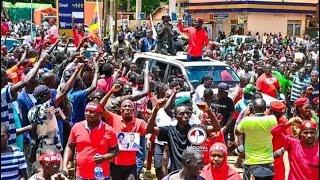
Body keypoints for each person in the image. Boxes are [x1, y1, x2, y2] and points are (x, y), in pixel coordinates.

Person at [147, 99, 220, 172]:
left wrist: (208, 111)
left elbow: (216, 128)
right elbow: (150, 129)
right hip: (176, 173)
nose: (186, 116)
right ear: (175, 116)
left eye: (187, 113)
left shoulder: (196, 129)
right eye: (181, 113)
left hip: (193, 173)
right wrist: (156, 110)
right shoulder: (169, 131)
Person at [63, 102, 119, 179]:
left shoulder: (109, 130)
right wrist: (64, 166)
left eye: (92, 111)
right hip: (81, 175)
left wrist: (104, 157)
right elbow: (69, 146)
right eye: (86, 111)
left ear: (100, 114)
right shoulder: (76, 127)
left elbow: (116, 151)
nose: (88, 113)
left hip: (101, 176)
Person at [235, 98, 277, 180]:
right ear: (265, 108)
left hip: (251, 161)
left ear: (252, 108)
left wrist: (246, 114)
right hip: (268, 160)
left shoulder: (246, 121)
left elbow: (237, 132)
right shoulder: (272, 119)